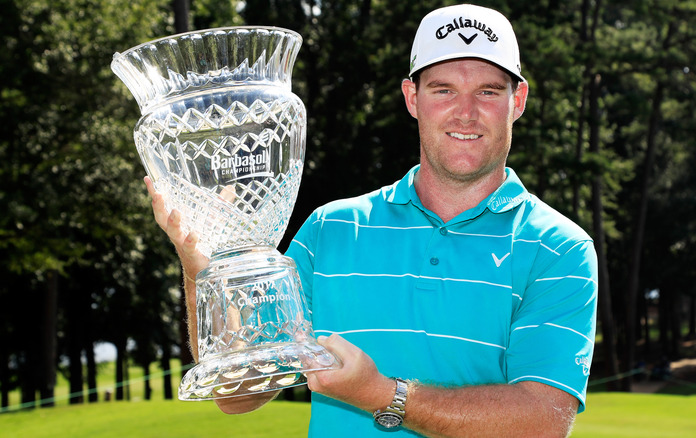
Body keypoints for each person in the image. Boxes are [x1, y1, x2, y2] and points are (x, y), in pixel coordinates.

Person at [146, 4, 598, 437]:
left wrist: (380, 394)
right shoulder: (331, 231)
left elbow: (541, 423)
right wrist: (203, 267)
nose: (465, 112)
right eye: (443, 90)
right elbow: (237, 395)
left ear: (517, 100)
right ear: (412, 98)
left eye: (488, 91)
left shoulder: (559, 248)